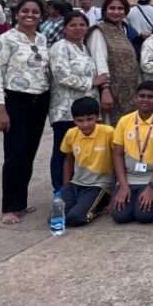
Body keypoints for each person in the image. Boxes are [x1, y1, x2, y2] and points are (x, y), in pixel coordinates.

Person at [0, 0, 51, 225]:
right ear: (16, 14)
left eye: (35, 11)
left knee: (29, 153)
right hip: (16, 101)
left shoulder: (42, 39)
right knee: (14, 154)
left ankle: (21, 202)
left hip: (39, 100)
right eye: (25, 11)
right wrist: (0, 110)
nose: (30, 15)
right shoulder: (6, 39)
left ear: (41, 16)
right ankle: (9, 207)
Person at [109, 81, 153, 225]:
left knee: (144, 216)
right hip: (130, 176)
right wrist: (123, 185)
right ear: (135, 97)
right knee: (120, 216)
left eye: (150, 97)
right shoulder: (124, 121)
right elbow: (117, 154)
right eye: (142, 96)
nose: (145, 100)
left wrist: (151, 187)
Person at [47, 10, 96, 193]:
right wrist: (91, 82)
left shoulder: (85, 47)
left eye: (82, 25)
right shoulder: (60, 47)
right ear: (65, 28)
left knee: (81, 150)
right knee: (63, 150)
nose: (78, 28)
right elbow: (62, 76)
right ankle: (60, 189)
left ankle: (79, 186)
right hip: (64, 109)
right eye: (73, 25)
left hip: (85, 109)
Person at [57, 97, 116, 227]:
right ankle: (84, 205)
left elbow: (118, 159)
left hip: (99, 185)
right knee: (55, 218)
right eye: (80, 120)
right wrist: (66, 186)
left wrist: (116, 191)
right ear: (74, 120)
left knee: (75, 218)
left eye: (89, 119)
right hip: (76, 183)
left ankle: (99, 207)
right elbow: (68, 159)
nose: (85, 124)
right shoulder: (71, 133)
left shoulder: (108, 132)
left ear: (97, 117)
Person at [88, 0, 140, 121]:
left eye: (120, 8)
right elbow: (99, 61)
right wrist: (105, 90)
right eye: (112, 8)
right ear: (105, 11)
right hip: (110, 91)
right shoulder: (99, 31)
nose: (116, 12)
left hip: (129, 91)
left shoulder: (127, 30)